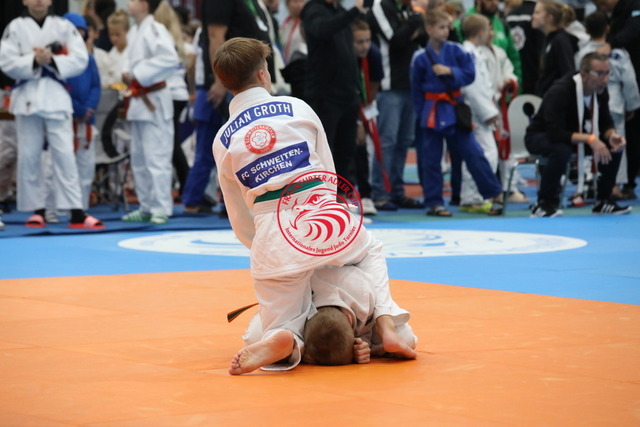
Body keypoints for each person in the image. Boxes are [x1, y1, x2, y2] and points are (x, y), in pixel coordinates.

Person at [212, 37, 416, 375]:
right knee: (369, 251)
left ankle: (286, 336)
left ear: (224, 83)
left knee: (271, 320)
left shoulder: (223, 139)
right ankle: (385, 320)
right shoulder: (297, 108)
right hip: (320, 211)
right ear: (263, 74)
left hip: (272, 229)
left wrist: (267, 246)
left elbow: (238, 215)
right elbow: (328, 173)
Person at [0, 0, 105, 229]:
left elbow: (80, 58)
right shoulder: (15, 27)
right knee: (29, 155)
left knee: (65, 154)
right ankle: (37, 210)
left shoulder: (63, 26)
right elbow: (5, 61)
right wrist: (33, 61)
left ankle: (76, 211)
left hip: (56, 96)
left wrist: (52, 60)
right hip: (27, 96)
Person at [411, 11, 504, 217]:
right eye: (441, 27)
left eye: (447, 27)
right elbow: (416, 90)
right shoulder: (420, 58)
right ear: (429, 29)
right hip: (432, 111)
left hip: (454, 109)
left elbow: (470, 74)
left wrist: (451, 71)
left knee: (473, 152)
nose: (446, 31)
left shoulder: (457, 51)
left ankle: (494, 193)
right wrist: (422, 113)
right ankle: (434, 203)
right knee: (432, 160)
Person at [241, 264, 418, 368]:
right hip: (300, 286)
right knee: (257, 336)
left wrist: (362, 344)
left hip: (347, 281)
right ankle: (292, 342)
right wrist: (364, 350)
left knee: (402, 338)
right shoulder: (296, 292)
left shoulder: (362, 285)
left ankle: (295, 346)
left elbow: (377, 310)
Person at [525, 52, 632, 216]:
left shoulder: (600, 91)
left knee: (614, 146)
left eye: (607, 73)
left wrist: (611, 135)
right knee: (561, 150)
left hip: (574, 136)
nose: (605, 79)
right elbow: (555, 132)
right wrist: (591, 139)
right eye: (600, 74)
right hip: (540, 136)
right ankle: (544, 203)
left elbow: (605, 122)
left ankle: (603, 200)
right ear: (584, 74)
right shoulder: (560, 91)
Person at [120, 0, 180, 225]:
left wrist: (137, 73)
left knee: (157, 157)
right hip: (138, 101)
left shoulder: (156, 28)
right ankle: (145, 206)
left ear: (145, 4)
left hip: (154, 100)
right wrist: (127, 73)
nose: (129, 3)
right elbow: (128, 63)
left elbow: (169, 59)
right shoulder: (135, 31)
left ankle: (161, 207)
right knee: (139, 158)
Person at [301, 0, 369, 190]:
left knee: (346, 152)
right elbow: (322, 30)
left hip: (348, 95)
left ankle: (341, 196)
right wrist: (354, 11)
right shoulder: (313, 9)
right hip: (324, 96)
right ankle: (322, 196)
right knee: (324, 151)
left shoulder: (340, 11)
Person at [367, 0, 426, 211]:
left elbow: (423, 38)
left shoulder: (406, 10)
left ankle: (397, 191)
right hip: (389, 86)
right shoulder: (380, 6)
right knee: (387, 142)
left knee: (404, 142)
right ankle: (380, 193)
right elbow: (395, 39)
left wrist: (411, 27)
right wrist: (415, 20)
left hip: (410, 85)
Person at [575, 11, 640, 201]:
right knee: (617, 144)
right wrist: (632, 106)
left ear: (586, 30)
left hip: (588, 103)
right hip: (615, 104)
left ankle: (590, 182)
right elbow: (629, 82)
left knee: (592, 142)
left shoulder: (583, 52)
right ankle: (613, 185)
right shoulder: (619, 53)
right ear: (608, 29)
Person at [458, 14, 502, 214]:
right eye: (489, 29)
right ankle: (475, 198)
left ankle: (471, 197)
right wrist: (489, 113)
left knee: (476, 154)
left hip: (477, 110)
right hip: (476, 113)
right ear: (481, 32)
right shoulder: (469, 54)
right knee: (486, 154)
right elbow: (472, 87)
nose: (491, 33)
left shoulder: (473, 52)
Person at [154, 2, 191, 200]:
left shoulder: (161, 38)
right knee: (173, 142)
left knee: (170, 144)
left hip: (169, 93)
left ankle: (186, 184)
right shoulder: (176, 37)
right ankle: (185, 184)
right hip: (179, 93)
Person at [453, 0, 523, 89]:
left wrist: (516, 85)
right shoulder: (463, 23)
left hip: (500, 88)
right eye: (489, 0)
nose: (494, 3)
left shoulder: (501, 23)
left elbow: (513, 57)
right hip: (475, 87)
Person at [353, 19, 383, 216]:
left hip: (366, 104)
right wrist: (357, 121)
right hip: (345, 106)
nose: (365, 46)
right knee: (352, 147)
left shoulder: (374, 54)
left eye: (367, 41)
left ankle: (366, 195)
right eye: (359, 42)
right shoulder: (345, 57)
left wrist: (367, 113)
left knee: (366, 148)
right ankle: (343, 196)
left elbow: (374, 85)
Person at [531, 0, 579, 96]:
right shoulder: (548, 39)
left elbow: (568, 74)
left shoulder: (560, 40)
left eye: (537, 13)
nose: (533, 16)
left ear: (549, 17)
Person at [506, 0, 545, 94]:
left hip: (513, 73)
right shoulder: (538, 16)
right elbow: (542, 48)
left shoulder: (509, 16)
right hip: (533, 74)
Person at [280, 0, 307, 100]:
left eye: (301, 1)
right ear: (287, 4)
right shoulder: (284, 25)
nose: (299, 5)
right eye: (295, 1)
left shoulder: (307, 23)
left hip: (303, 69)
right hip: (288, 70)